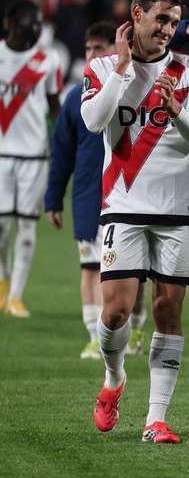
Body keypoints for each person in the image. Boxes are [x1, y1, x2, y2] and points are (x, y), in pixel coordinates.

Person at [81, 0, 189, 443]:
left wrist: (176, 110)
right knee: (115, 311)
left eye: (175, 22)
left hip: (178, 210)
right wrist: (121, 69)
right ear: (136, 15)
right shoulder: (101, 66)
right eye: (161, 19)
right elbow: (94, 122)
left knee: (168, 311)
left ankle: (156, 418)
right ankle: (114, 380)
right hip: (122, 203)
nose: (169, 30)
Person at [45, 21, 114, 357]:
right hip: (88, 196)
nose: (91, 55)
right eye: (88, 49)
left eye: (99, 49)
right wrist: (53, 199)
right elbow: (61, 153)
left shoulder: (132, 91)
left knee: (129, 272)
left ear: (116, 52)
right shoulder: (75, 98)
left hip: (126, 195)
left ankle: (131, 330)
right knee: (90, 268)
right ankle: (93, 335)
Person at [0, 0, 61, 318]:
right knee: (1, 227)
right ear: (11, 22)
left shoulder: (48, 60)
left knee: (26, 227)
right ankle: (2, 282)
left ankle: (17, 296)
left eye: (39, 21)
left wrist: (62, 142)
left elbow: (54, 106)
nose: (37, 27)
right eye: (30, 21)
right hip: (1, 153)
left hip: (35, 155)